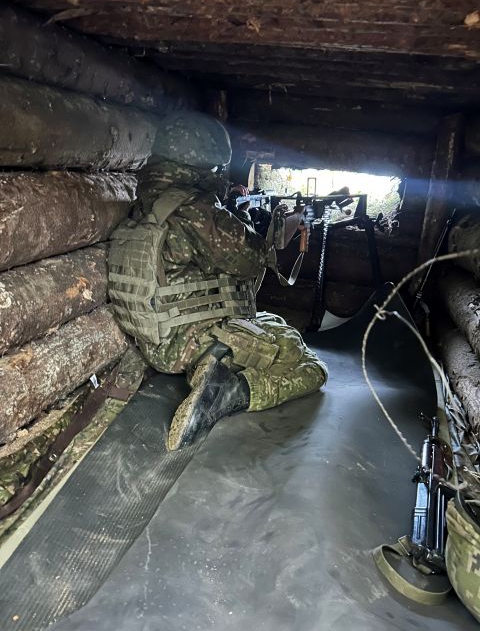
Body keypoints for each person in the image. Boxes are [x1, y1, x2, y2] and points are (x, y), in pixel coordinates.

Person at [108, 112, 328, 451]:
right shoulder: (196, 209)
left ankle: (217, 366)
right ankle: (228, 392)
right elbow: (252, 260)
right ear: (203, 163)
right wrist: (243, 219)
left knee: (273, 323)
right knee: (307, 362)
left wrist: (231, 212)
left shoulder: (150, 200)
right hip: (189, 344)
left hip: (154, 339)